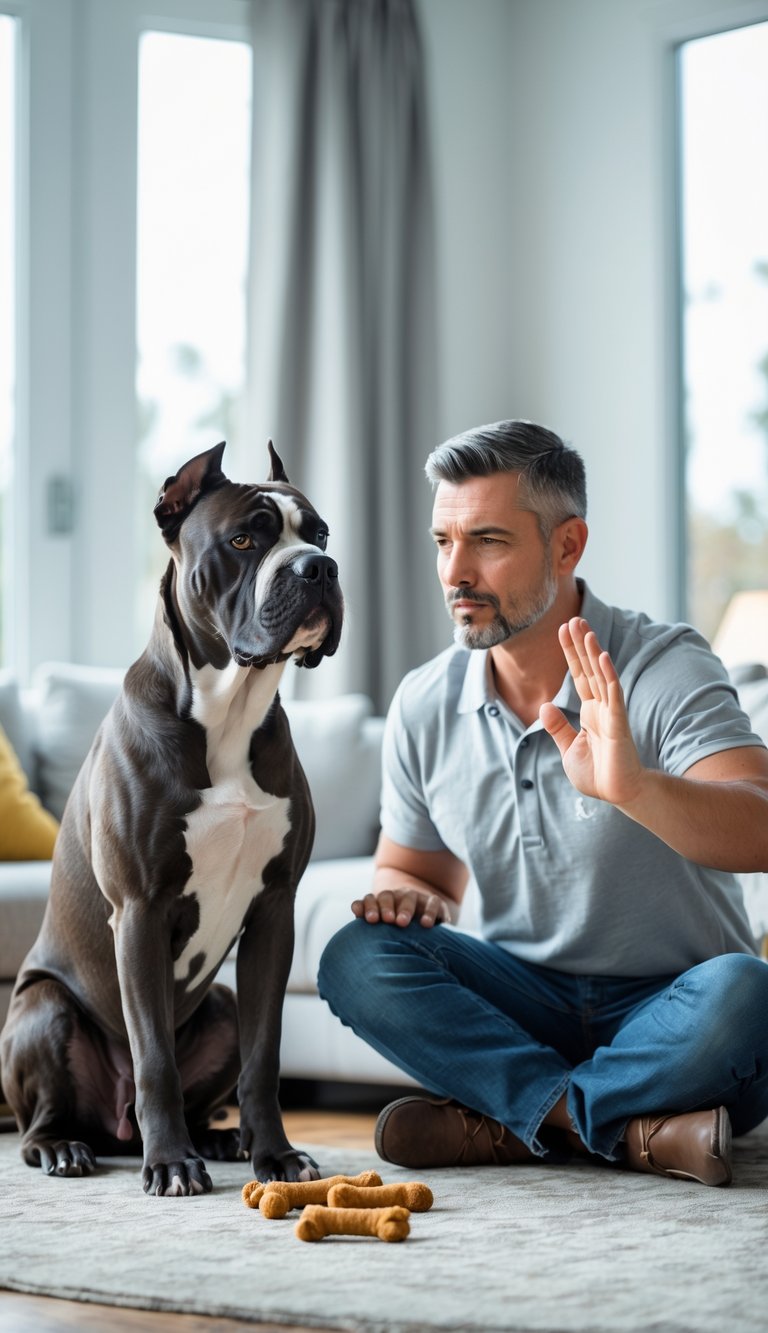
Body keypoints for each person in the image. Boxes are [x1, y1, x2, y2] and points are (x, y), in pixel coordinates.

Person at [317, 419, 768, 1186]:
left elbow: (760, 822)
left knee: (746, 994)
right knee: (355, 957)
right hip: (520, 1002)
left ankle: (509, 1120)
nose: (455, 571)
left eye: (487, 540)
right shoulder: (425, 702)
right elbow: (416, 874)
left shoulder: (663, 665)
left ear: (567, 546)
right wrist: (405, 899)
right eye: (442, 541)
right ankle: (622, 1128)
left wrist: (636, 789)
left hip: (671, 1007)